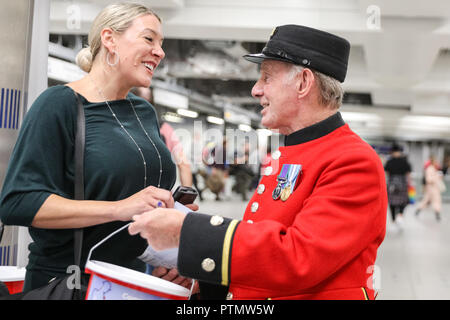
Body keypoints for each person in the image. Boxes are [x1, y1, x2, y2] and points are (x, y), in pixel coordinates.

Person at [129, 25, 388, 300]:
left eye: (267, 77)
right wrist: (204, 279)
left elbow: (298, 259)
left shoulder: (354, 161)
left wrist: (186, 231)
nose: (255, 90)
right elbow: (265, 254)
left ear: (303, 82)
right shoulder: (289, 152)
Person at [0, 3, 193, 292]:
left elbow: (137, 205)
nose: (160, 51)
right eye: (149, 39)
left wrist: (168, 243)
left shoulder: (143, 112)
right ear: (109, 39)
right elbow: (18, 202)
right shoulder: (59, 105)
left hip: (134, 280)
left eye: (161, 43)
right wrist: (119, 208)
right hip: (72, 283)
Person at [132, 86, 193, 187]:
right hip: (159, 195)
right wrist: (186, 199)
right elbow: (184, 165)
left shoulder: (120, 127)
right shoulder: (164, 129)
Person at [384, 144, 412, 227]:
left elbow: (386, 173)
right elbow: (408, 173)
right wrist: (409, 183)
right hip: (403, 182)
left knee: (392, 202)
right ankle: (400, 214)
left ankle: (393, 219)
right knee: (403, 201)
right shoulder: (405, 161)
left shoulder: (389, 161)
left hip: (391, 183)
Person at [415, 156, 444, 221]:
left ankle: (418, 210)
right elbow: (428, 179)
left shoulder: (434, 169)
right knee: (435, 200)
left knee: (427, 200)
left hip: (433, 188)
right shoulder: (430, 169)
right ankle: (437, 213)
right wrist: (436, 177)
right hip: (432, 188)